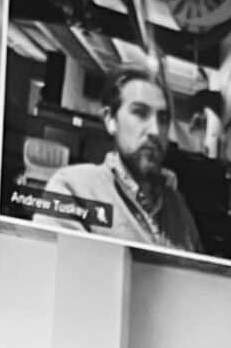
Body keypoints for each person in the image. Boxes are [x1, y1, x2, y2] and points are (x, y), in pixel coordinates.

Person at [38, 67, 203, 252]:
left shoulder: (178, 208)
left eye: (163, 118)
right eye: (140, 113)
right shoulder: (72, 189)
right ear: (110, 120)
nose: (155, 130)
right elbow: (53, 273)